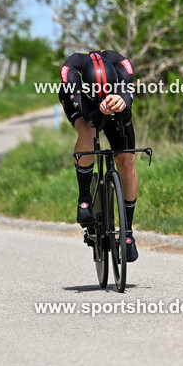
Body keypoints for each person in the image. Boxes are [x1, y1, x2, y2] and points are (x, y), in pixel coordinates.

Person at [58, 49, 140, 262]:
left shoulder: (123, 70)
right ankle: (84, 198)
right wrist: (99, 110)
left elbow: (127, 113)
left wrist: (120, 103)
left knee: (127, 162)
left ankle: (128, 232)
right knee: (88, 130)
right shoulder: (72, 75)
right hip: (81, 101)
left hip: (112, 94)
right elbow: (91, 117)